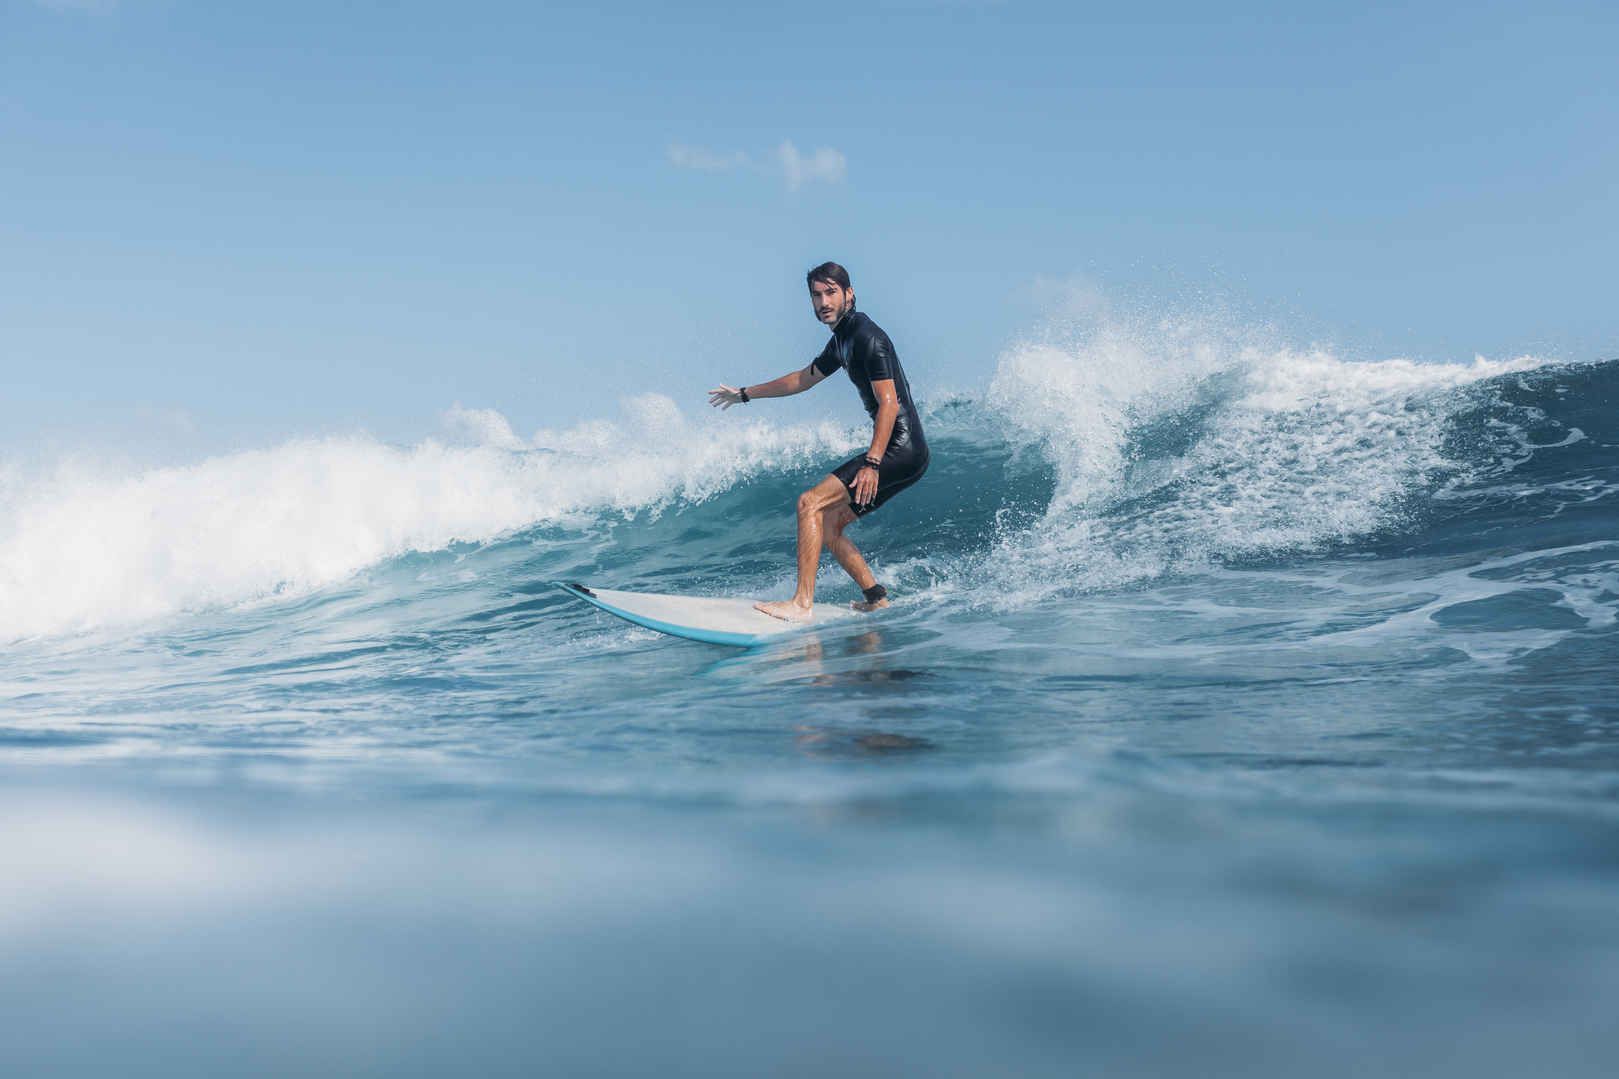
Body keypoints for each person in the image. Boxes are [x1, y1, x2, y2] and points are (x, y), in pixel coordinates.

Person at [709, 262, 929, 622]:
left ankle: (801, 604)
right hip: (906, 452)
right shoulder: (842, 340)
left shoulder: (866, 336)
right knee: (828, 524)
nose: (823, 301)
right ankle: (876, 597)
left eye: (830, 292)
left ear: (849, 293)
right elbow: (802, 379)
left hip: (899, 449)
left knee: (809, 504)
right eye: (816, 294)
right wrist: (745, 395)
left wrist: (873, 463)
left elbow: (889, 403)